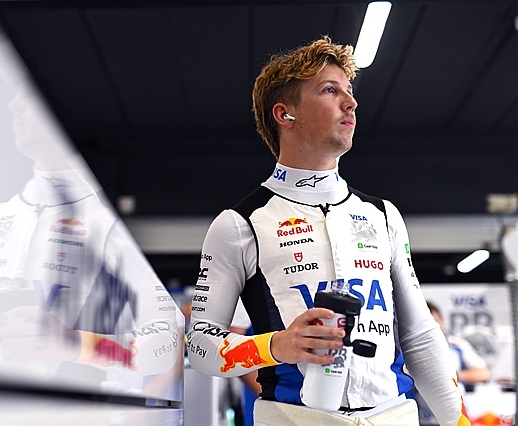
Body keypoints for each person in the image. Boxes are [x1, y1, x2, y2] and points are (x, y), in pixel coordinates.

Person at [186, 36, 470, 425]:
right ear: (285, 114)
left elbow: (420, 336)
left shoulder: (382, 215)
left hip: (392, 416)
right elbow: (200, 344)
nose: (351, 103)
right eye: (330, 90)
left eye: (349, 91)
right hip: (293, 417)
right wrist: (277, 345)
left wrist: (460, 421)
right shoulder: (239, 224)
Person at [0, 82, 183, 398]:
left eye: (30, 96)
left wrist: (71, 344)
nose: (14, 106)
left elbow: (167, 341)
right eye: (14, 96)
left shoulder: (109, 223)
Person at [427, 302, 490, 388]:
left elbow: (483, 373)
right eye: (427, 325)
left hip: (453, 394)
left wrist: (453, 376)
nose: (432, 329)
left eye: (435, 322)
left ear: (442, 321)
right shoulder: (410, 349)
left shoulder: (457, 344)